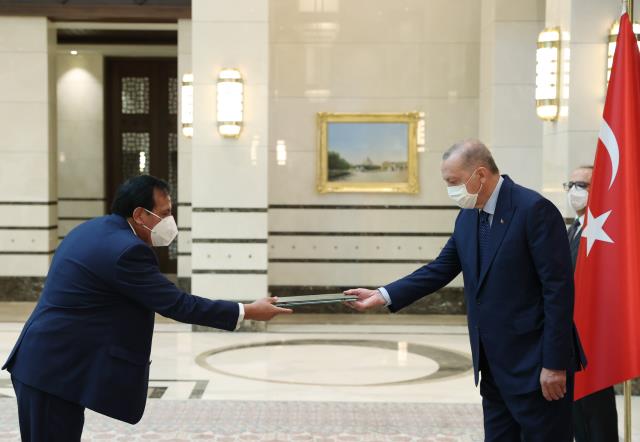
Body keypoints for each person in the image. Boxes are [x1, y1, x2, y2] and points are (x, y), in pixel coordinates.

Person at [2, 175, 292, 441]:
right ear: (140, 214)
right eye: (164, 214)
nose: (170, 221)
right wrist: (248, 311)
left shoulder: (93, 229)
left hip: (48, 363)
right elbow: (177, 304)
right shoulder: (127, 251)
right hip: (54, 369)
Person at [345, 139, 586, 442]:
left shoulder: (533, 210)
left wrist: (554, 363)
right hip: (493, 367)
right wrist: (383, 295)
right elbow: (440, 269)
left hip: (536, 367)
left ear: (480, 174)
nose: (450, 190)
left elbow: (558, 292)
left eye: (453, 181)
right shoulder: (468, 215)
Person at [565, 165, 619, 442]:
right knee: (576, 408)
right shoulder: (574, 228)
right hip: (572, 333)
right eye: (570, 185)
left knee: (597, 410)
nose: (574, 191)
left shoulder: (607, 230)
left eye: (582, 185)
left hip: (595, 334)